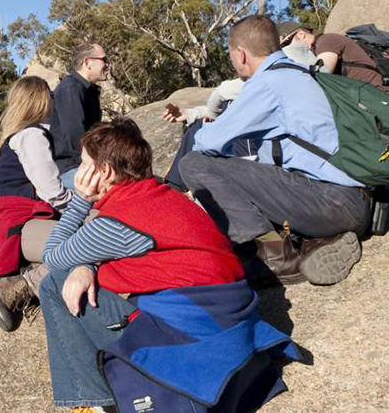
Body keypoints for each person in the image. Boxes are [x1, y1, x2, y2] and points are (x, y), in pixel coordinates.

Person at [38, 119, 298, 413]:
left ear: (104, 171)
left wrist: (80, 202)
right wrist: (86, 265)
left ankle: (91, 402)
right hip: (232, 325)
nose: (77, 172)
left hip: (193, 334)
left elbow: (53, 257)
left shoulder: (117, 221)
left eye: (84, 164)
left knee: (53, 284)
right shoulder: (167, 197)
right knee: (82, 276)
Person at [179, 15, 370, 286]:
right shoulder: (300, 71)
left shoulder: (267, 84)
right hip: (351, 199)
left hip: (332, 202)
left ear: (241, 54)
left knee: (194, 164)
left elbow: (207, 143)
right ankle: (315, 242)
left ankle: (276, 255)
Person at [0, 75, 71, 332]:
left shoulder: (18, 136)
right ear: (41, 100)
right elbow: (52, 192)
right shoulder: (32, 135)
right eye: (50, 96)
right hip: (22, 222)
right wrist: (83, 211)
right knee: (91, 240)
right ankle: (20, 285)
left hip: (16, 222)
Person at [160, 40, 318, 190]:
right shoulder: (287, 66)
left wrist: (221, 95)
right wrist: (191, 113)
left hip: (275, 159)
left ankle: (177, 187)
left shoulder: (292, 59)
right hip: (268, 145)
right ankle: (174, 187)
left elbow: (231, 92)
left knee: (199, 148)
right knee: (199, 126)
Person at [50, 42, 108, 190]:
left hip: (83, 167)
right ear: (87, 62)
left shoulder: (87, 91)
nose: (108, 65)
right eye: (104, 60)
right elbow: (76, 136)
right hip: (72, 169)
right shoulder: (71, 88)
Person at [277, 21, 387, 90]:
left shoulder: (325, 41)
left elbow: (322, 74)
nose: (286, 50)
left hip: (377, 93)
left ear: (301, 34)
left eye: (286, 44)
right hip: (365, 95)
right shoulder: (316, 50)